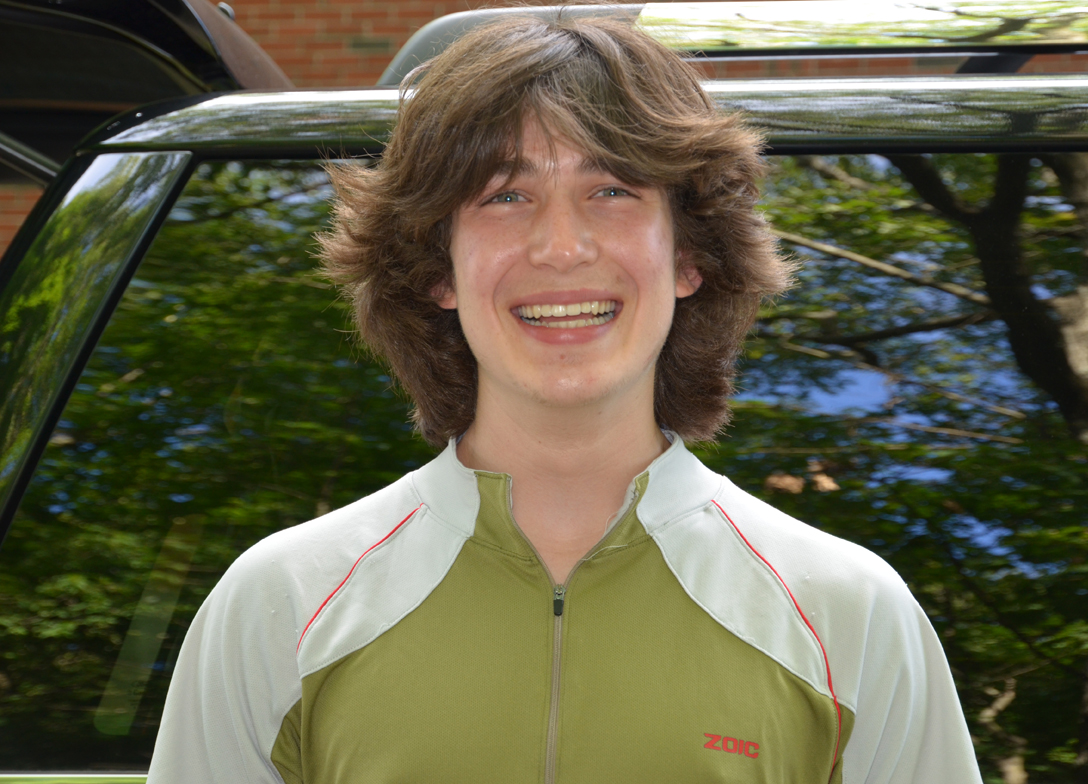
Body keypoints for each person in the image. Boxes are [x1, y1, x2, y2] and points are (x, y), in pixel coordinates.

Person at [147, 11, 983, 784]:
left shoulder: (845, 612)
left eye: (612, 189)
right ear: (438, 269)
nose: (560, 246)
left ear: (689, 257)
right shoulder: (282, 602)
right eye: (505, 196)